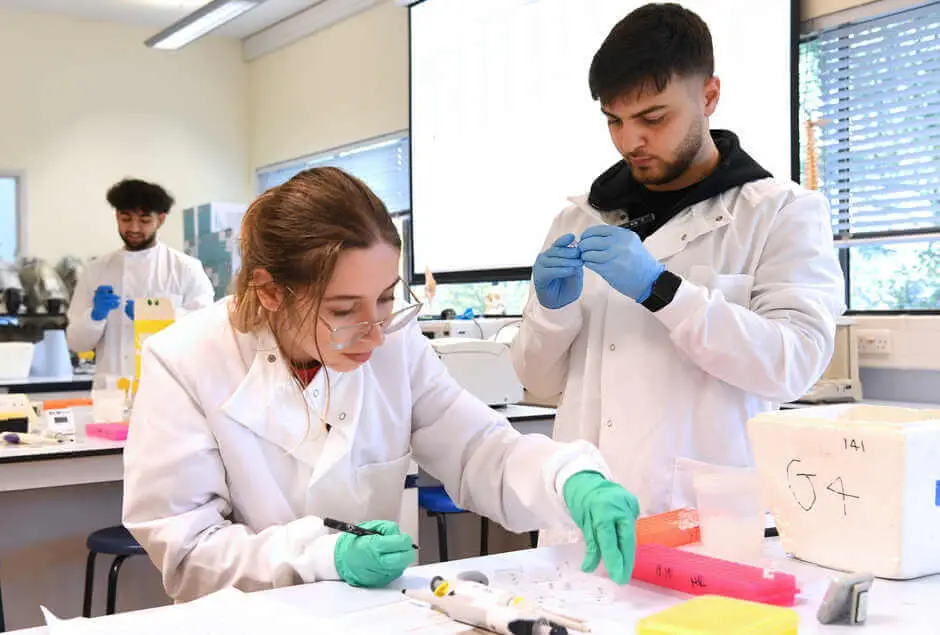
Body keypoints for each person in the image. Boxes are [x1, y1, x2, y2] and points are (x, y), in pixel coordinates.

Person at [122, 167, 640, 602]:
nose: (374, 333)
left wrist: (566, 478)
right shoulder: (186, 360)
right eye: (343, 310)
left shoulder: (394, 342)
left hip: (376, 616)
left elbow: (478, 448)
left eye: (387, 298)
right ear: (271, 292)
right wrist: (322, 556)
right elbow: (188, 550)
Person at [511, 3, 845, 515]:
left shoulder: (780, 212)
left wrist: (663, 291)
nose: (630, 141)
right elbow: (538, 380)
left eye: (654, 118)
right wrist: (551, 315)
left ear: (709, 96)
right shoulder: (577, 220)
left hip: (704, 518)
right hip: (583, 518)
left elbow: (793, 364)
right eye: (614, 121)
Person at [66, 178, 214, 378]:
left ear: (160, 219)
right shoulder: (95, 271)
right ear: (117, 216)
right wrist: (94, 316)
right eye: (126, 219)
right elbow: (76, 343)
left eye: (144, 221)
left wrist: (156, 314)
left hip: (166, 386)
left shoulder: (186, 268)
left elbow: (206, 328)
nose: (134, 228)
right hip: (111, 386)